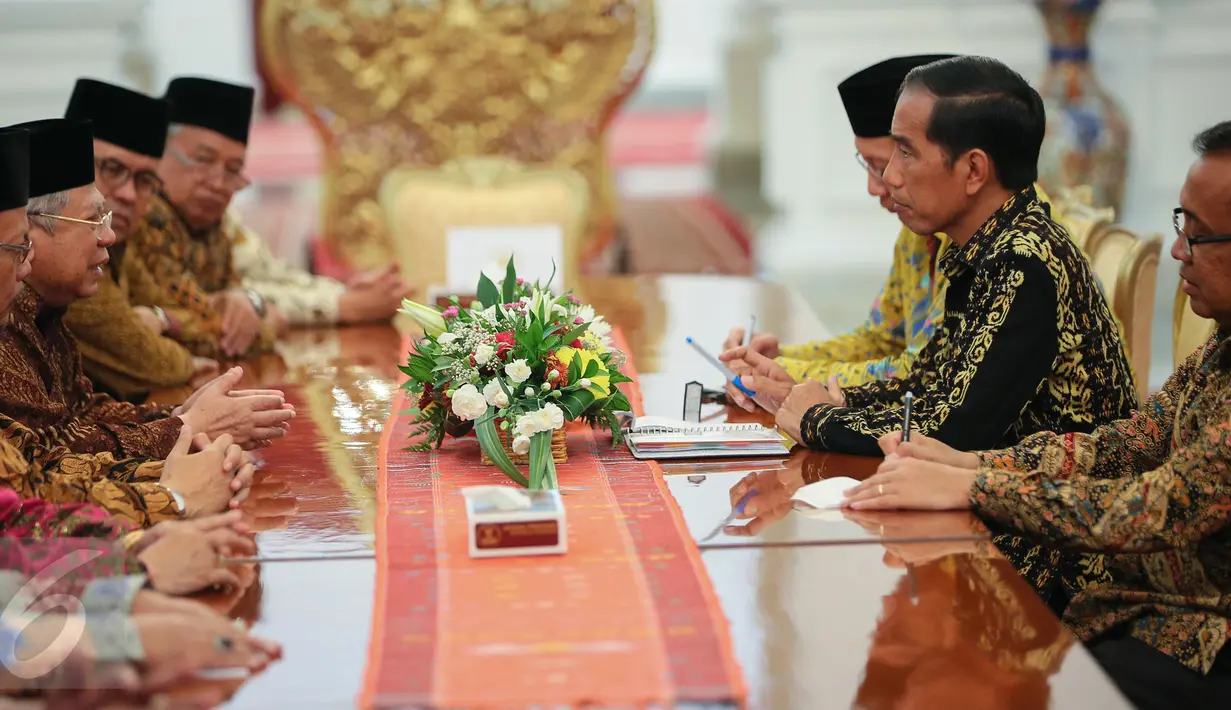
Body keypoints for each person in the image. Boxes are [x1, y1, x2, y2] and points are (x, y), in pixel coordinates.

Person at [843, 122, 1231, 710]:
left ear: (973, 168)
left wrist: (976, 483)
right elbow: (1127, 443)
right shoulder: (1220, 348)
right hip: (1146, 607)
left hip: (1206, 639)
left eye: (1198, 236)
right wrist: (973, 463)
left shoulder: (1024, 259)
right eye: (1183, 226)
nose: (1178, 250)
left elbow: (1159, 505)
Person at [723, 56, 1135, 457]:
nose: (888, 178)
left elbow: (954, 430)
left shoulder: (1024, 258)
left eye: (905, 153)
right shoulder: (978, 245)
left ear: (974, 170)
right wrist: (811, 394)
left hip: (1053, 513)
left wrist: (819, 419)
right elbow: (930, 383)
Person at [0, 124, 255, 526]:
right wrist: (177, 483)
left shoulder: (45, 311)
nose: (111, 235)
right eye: (93, 221)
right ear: (29, 229)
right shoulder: (11, 324)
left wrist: (180, 425)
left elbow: (77, 420)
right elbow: (36, 488)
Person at [60, 78, 218, 401]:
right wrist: (166, 329)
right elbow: (150, 360)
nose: (130, 194)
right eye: (113, 169)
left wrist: (160, 319)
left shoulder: (119, 244)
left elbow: (210, 325)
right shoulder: (66, 253)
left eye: (145, 180)